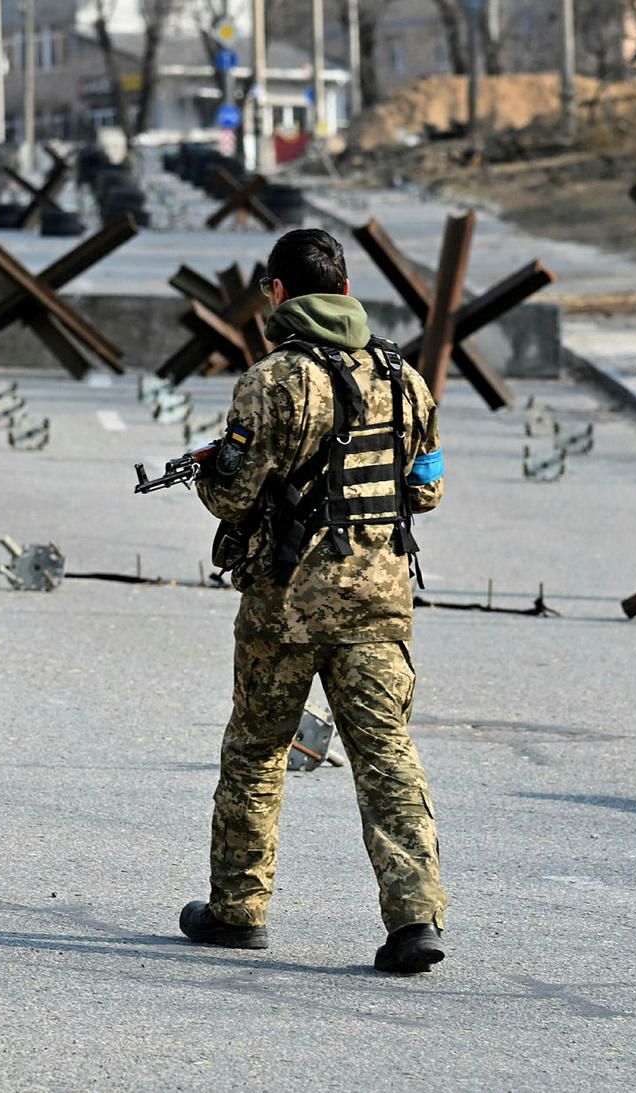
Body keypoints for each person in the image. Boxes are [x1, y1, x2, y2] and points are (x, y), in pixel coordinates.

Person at [178, 228, 449, 975]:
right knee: (387, 756)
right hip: (381, 602)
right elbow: (427, 484)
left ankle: (237, 910)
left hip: (287, 607)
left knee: (258, 750)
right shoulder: (405, 378)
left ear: (277, 294)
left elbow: (230, 493)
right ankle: (414, 919)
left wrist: (210, 473)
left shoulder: (273, 381)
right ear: (347, 290)